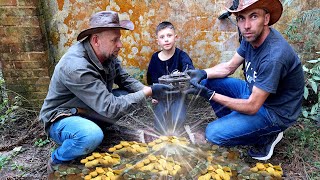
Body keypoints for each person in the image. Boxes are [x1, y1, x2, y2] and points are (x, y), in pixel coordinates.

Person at [39, 11, 173, 172]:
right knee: (91, 135)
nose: (120, 45)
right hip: (62, 118)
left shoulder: (106, 54)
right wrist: (148, 92)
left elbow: (124, 79)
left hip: (89, 109)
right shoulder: (76, 66)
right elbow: (109, 108)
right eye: (115, 40)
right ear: (96, 40)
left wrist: (148, 91)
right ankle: (58, 158)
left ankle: (99, 130)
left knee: (125, 96)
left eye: (119, 39)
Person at [186, 0, 304, 160]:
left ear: (266, 19)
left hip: (274, 111)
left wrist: (210, 95)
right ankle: (240, 124)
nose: (246, 25)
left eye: (253, 16)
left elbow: (252, 106)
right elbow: (229, 67)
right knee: (208, 81)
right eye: (241, 18)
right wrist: (201, 73)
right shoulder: (250, 38)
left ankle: (266, 136)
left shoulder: (274, 57)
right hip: (252, 92)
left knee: (213, 134)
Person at [146, 21, 195, 135]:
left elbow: (190, 72)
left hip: (178, 96)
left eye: (169, 35)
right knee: (159, 126)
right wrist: (153, 96)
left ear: (175, 37)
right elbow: (151, 78)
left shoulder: (181, 56)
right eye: (162, 37)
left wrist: (183, 80)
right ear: (158, 41)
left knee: (178, 121)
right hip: (161, 97)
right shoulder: (155, 58)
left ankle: (180, 130)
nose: (166, 39)